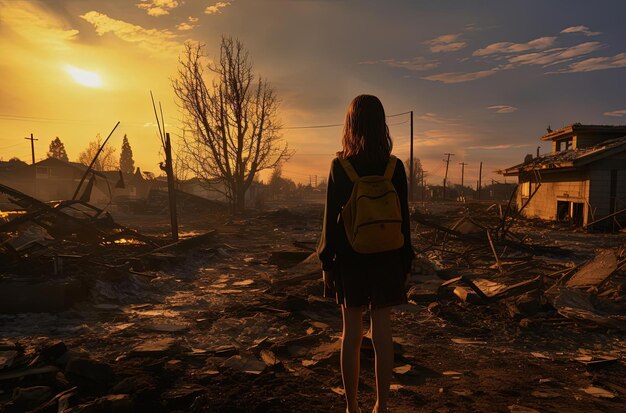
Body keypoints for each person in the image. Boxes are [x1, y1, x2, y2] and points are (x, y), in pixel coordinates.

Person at [317, 94, 415, 413]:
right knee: (382, 332)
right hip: (388, 257)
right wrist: (406, 262)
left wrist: (326, 263)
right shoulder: (394, 167)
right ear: (381, 125)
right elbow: (405, 220)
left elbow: (331, 223)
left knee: (352, 334)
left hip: (350, 258)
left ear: (350, 125)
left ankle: (352, 407)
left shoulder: (340, 167)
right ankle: (381, 406)